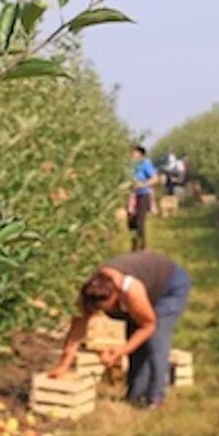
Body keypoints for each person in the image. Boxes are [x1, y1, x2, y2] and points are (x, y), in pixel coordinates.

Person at [45, 250, 192, 408]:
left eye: (108, 307)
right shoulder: (91, 291)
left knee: (156, 340)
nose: (105, 312)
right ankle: (135, 395)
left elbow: (148, 326)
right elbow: (77, 329)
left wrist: (120, 351)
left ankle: (156, 397)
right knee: (134, 339)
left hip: (169, 286)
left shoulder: (131, 291)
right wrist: (64, 364)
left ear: (116, 293)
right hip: (144, 287)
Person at [127, 144, 160, 250]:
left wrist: (143, 184)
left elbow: (155, 178)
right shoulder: (129, 165)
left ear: (140, 154)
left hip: (143, 194)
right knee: (131, 222)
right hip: (131, 195)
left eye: (135, 152)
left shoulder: (145, 163)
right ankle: (134, 245)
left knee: (140, 221)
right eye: (132, 152)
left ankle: (142, 247)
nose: (133, 154)